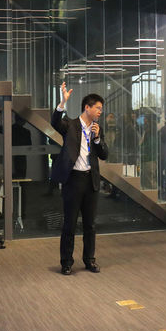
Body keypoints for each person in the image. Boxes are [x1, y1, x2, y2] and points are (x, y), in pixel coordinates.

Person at [51, 83, 109, 276]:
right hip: (73, 180)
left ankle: (89, 260)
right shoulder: (71, 125)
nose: (100, 111)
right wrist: (62, 102)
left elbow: (104, 155)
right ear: (87, 107)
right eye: (98, 108)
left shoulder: (97, 129)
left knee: (90, 225)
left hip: (91, 180)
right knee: (69, 224)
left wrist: (97, 139)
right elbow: (55, 122)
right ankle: (66, 262)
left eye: (101, 108)